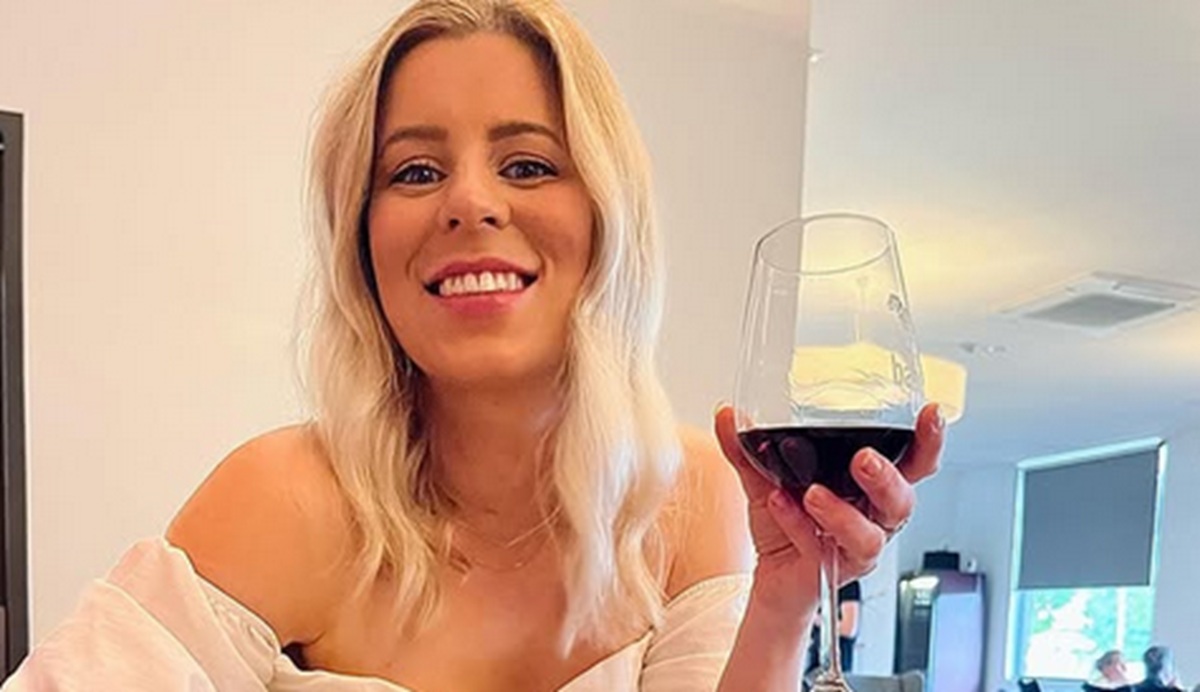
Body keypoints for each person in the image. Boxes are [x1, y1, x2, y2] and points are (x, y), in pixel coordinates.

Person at [3, 1, 943, 690]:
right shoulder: (283, 496)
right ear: (362, 240)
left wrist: (783, 599)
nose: (470, 202)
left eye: (527, 164)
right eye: (415, 171)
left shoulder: (690, 493)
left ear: (607, 219)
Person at [804, 579, 862, 674]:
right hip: (814, 657)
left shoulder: (848, 585)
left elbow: (848, 628)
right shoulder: (817, 584)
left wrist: (812, 618)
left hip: (837, 661)